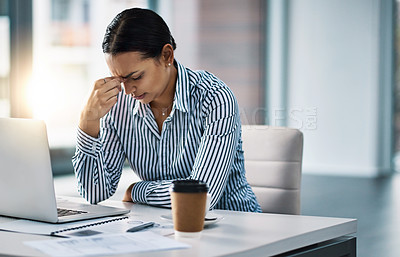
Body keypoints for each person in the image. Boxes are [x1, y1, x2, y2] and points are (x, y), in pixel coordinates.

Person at [72, 8, 261, 212]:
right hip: (162, 228)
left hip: (233, 226)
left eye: (135, 77)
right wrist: (88, 122)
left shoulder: (215, 98)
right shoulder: (118, 105)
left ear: (166, 55)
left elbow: (202, 196)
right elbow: (94, 193)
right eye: (119, 79)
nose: (127, 90)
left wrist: (138, 191)